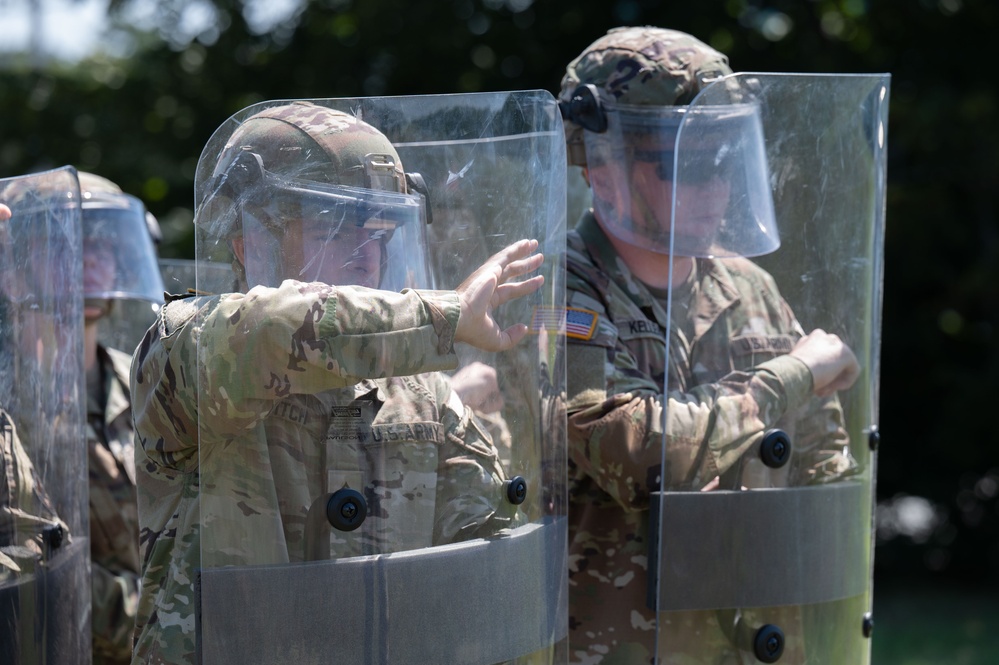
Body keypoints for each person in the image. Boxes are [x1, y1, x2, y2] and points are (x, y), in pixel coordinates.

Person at [130, 102, 546, 664]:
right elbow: (280, 328)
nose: (366, 254)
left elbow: (488, 572)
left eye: (380, 229)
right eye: (333, 225)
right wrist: (444, 317)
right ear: (249, 240)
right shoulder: (186, 345)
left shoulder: (421, 392)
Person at [556, 26, 863, 663]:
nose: (714, 187)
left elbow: (822, 468)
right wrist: (789, 377)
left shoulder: (750, 286)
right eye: (683, 162)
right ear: (603, 167)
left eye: (724, 158)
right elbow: (638, 452)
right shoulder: (557, 289)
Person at [78, 172, 164, 665]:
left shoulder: (144, 381)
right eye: (72, 245)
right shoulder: (14, 398)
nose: (91, 260)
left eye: (106, 246)